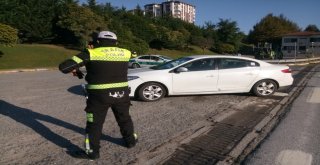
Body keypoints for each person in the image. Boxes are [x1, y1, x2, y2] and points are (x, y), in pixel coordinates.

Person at [59, 31, 137, 160]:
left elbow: (64, 67)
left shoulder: (91, 53)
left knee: (94, 124)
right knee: (125, 118)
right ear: (116, 42)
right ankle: (130, 142)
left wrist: (86, 50)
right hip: (122, 93)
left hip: (99, 96)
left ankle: (92, 153)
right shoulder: (126, 52)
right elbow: (134, 53)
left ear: (98, 41)